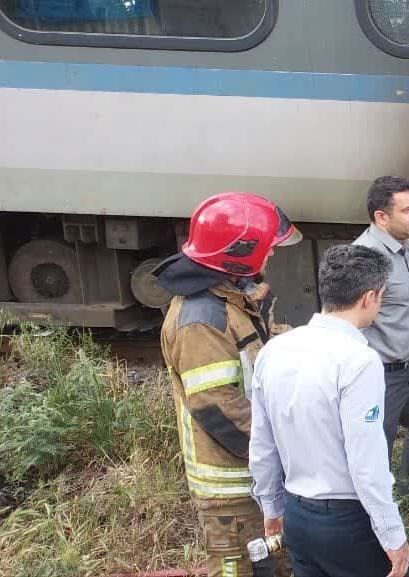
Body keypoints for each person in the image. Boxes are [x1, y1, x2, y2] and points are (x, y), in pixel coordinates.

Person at [154, 191, 302, 577]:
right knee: (244, 569)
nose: (272, 252)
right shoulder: (201, 321)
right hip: (231, 489)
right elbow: (217, 408)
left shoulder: (230, 298)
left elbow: (252, 354)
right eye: (267, 246)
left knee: (273, 566)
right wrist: (282, 449)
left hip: (253, 476)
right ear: (239, 255)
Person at [248, 244, 409, 577]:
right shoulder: (359, 361)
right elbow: (366, 462)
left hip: (297, 516)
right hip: (349, 523)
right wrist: (391, 534)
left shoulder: (274, 351)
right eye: (381, 297)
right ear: (368, 298)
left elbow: (262, 445)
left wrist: (272, 507)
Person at [352, 176, 409, 489]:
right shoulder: (366, 259)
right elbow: (348, 322)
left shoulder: (403, 244)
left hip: (406, 370)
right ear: (382, 217)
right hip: (379, 376)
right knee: (378, 448)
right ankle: (381, 508)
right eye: (407, 210)